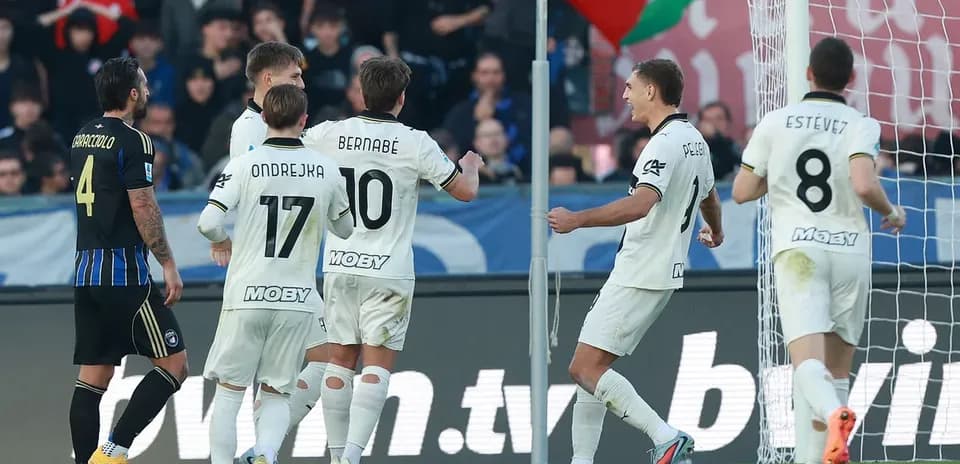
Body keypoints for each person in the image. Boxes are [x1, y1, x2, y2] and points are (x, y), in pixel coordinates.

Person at [732, 37, 906, 464]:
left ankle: (834, 414)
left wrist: (777, 176)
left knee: (808, 368)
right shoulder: (860, 123)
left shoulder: (775, 122)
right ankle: (827, 440)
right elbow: (864, 184)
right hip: (850, 252)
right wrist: (892, 211)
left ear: (808, 72)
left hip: (799, 252)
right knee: (838, 371)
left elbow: (741, 192)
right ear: (850, 79)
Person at [301, 56, 483, 464]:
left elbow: (286, 143)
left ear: (360, 92)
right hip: (388, 269)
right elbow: (464, 192)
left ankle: (335, 457)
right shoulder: (416, 142)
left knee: (340, 359)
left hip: (339, 263)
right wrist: (470, 164)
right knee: (376, 364)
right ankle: (351, 456)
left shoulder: (329, 134)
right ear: (402, 98)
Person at [547, 58, 724, 464]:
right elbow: (710, 196)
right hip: (661, 270)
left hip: (642, 269)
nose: (624, 95)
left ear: (651, 91)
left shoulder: (662, 144)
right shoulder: (694, 138)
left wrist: (578, 220)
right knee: (592, 368)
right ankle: (582, 460)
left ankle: (666, 437)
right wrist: (717, 231)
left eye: (630, 87)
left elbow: (642, 203)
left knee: (583, 369)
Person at [198, 84, 354, 464]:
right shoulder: (326, 169)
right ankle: (266, 453)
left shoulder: (244, 165)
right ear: (304, 120)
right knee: (275, 393)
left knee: (230, 392)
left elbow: (209, 222)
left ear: (264, 117)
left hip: (247, 294)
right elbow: (346, 229)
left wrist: (223, 242)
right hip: (297, 298)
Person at [69, 56, 187, 464]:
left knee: (92, 380)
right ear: (133, 94)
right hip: (125, 277)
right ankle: (113, 452)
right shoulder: (135, 140)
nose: (149, 92)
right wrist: (168, 263)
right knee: (174, 365)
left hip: (86, 274)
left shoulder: (82, 136)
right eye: (145, 85)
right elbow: (143, 207)